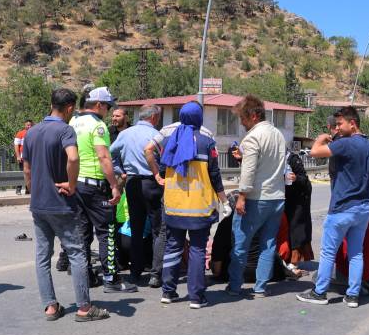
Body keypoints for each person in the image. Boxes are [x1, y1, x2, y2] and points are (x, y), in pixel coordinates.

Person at [22, 88, 108, 322]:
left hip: (39, 205)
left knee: (42, 256)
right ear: (70, 108)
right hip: (61, 203)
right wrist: (71, 184)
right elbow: (73, 157)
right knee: (77, 253)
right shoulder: (64, 130)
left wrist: (33, 190)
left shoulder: (32, 132)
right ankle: (83, 307)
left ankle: (50, 307)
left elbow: (27, 169)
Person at [297, 107, 369, 308]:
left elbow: (315, 152)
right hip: (363, 208)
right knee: (356, 253)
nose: (338, 128)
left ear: (353, 123)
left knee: (328, 252)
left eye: (340, 124)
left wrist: (321, 138)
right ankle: (352, 295)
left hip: (342, 208)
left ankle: (320, 292)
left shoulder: (346, 144)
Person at [158, 101, 226, 308]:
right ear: (199, 118)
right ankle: (196, 297)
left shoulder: (170, 140)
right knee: (197, 249)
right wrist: (224, 199)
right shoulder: (207, 143)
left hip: (174, 204)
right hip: (199, 206)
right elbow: (214, 174)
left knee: (173, 247)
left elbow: (162, 171)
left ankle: (168, 292)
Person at [70, 86, 137, 294]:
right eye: (107, 106)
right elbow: (103, 157)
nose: (108, 110)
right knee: (106, 232)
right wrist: (115, 186)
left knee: (82, 232)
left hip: (78, 183)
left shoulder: (73, 122)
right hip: (95, 185)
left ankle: (87, 276)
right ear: (98, 105)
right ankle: (111, 279)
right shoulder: (98, 126)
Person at [226, 95, 287, 299]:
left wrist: (242, 196)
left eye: (243, 118)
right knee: (268, 244)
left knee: (241, 243)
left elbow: (249, 170)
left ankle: (235, 286)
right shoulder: (277, 134)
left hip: (256, 198)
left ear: (253, 115)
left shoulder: (252, 137)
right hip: (277, 197)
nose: (241, 123)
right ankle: (261, 287)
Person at [110, 104, 165, 287]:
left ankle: (135, 272)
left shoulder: (125, 134)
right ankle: (156, 274)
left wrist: (120, 170)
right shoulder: (156, 136)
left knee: (136, 227)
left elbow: (110, 154)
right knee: (159, 229)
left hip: (132, 183)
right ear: (154, 118)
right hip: (153, 183)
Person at [284, 149, 314, 276]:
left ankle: (295, 261)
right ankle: (286, 257)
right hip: (286, 196)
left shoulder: (293, 159)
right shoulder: (274, 159)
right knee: (286, 226)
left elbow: (304, 179)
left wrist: (295, 178)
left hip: (300, 197)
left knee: (297, 228)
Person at [14, 119, 34, 195]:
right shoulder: (20, 133)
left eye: (30, 125)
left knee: (30, 174)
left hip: (31, 158)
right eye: (28, 125)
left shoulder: (34, 133)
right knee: (22, 173)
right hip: (23, 158)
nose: (29, 126)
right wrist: (18, 156)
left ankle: (28, 189)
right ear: (25, 125)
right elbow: (16, 145)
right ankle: (18, 189)